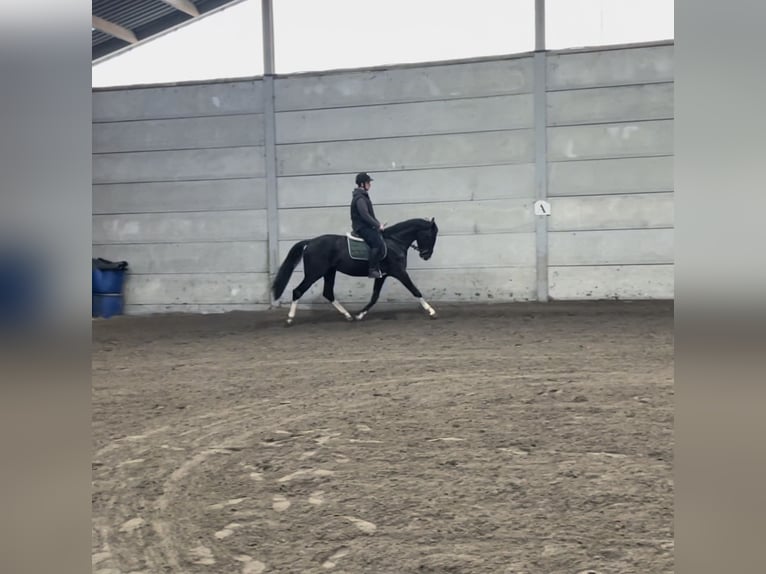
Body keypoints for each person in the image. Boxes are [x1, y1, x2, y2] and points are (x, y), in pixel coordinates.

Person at [350, 172, 385, 278]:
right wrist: (378, 226)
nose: (370, 184)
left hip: (365, 226)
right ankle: (372, 270)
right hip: (362, 228)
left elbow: (370, 216)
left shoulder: (363, 196)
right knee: (377, 243)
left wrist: (378, 224)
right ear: (362, 184)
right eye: (368, 182)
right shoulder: (360, 198)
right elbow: (365, 215)